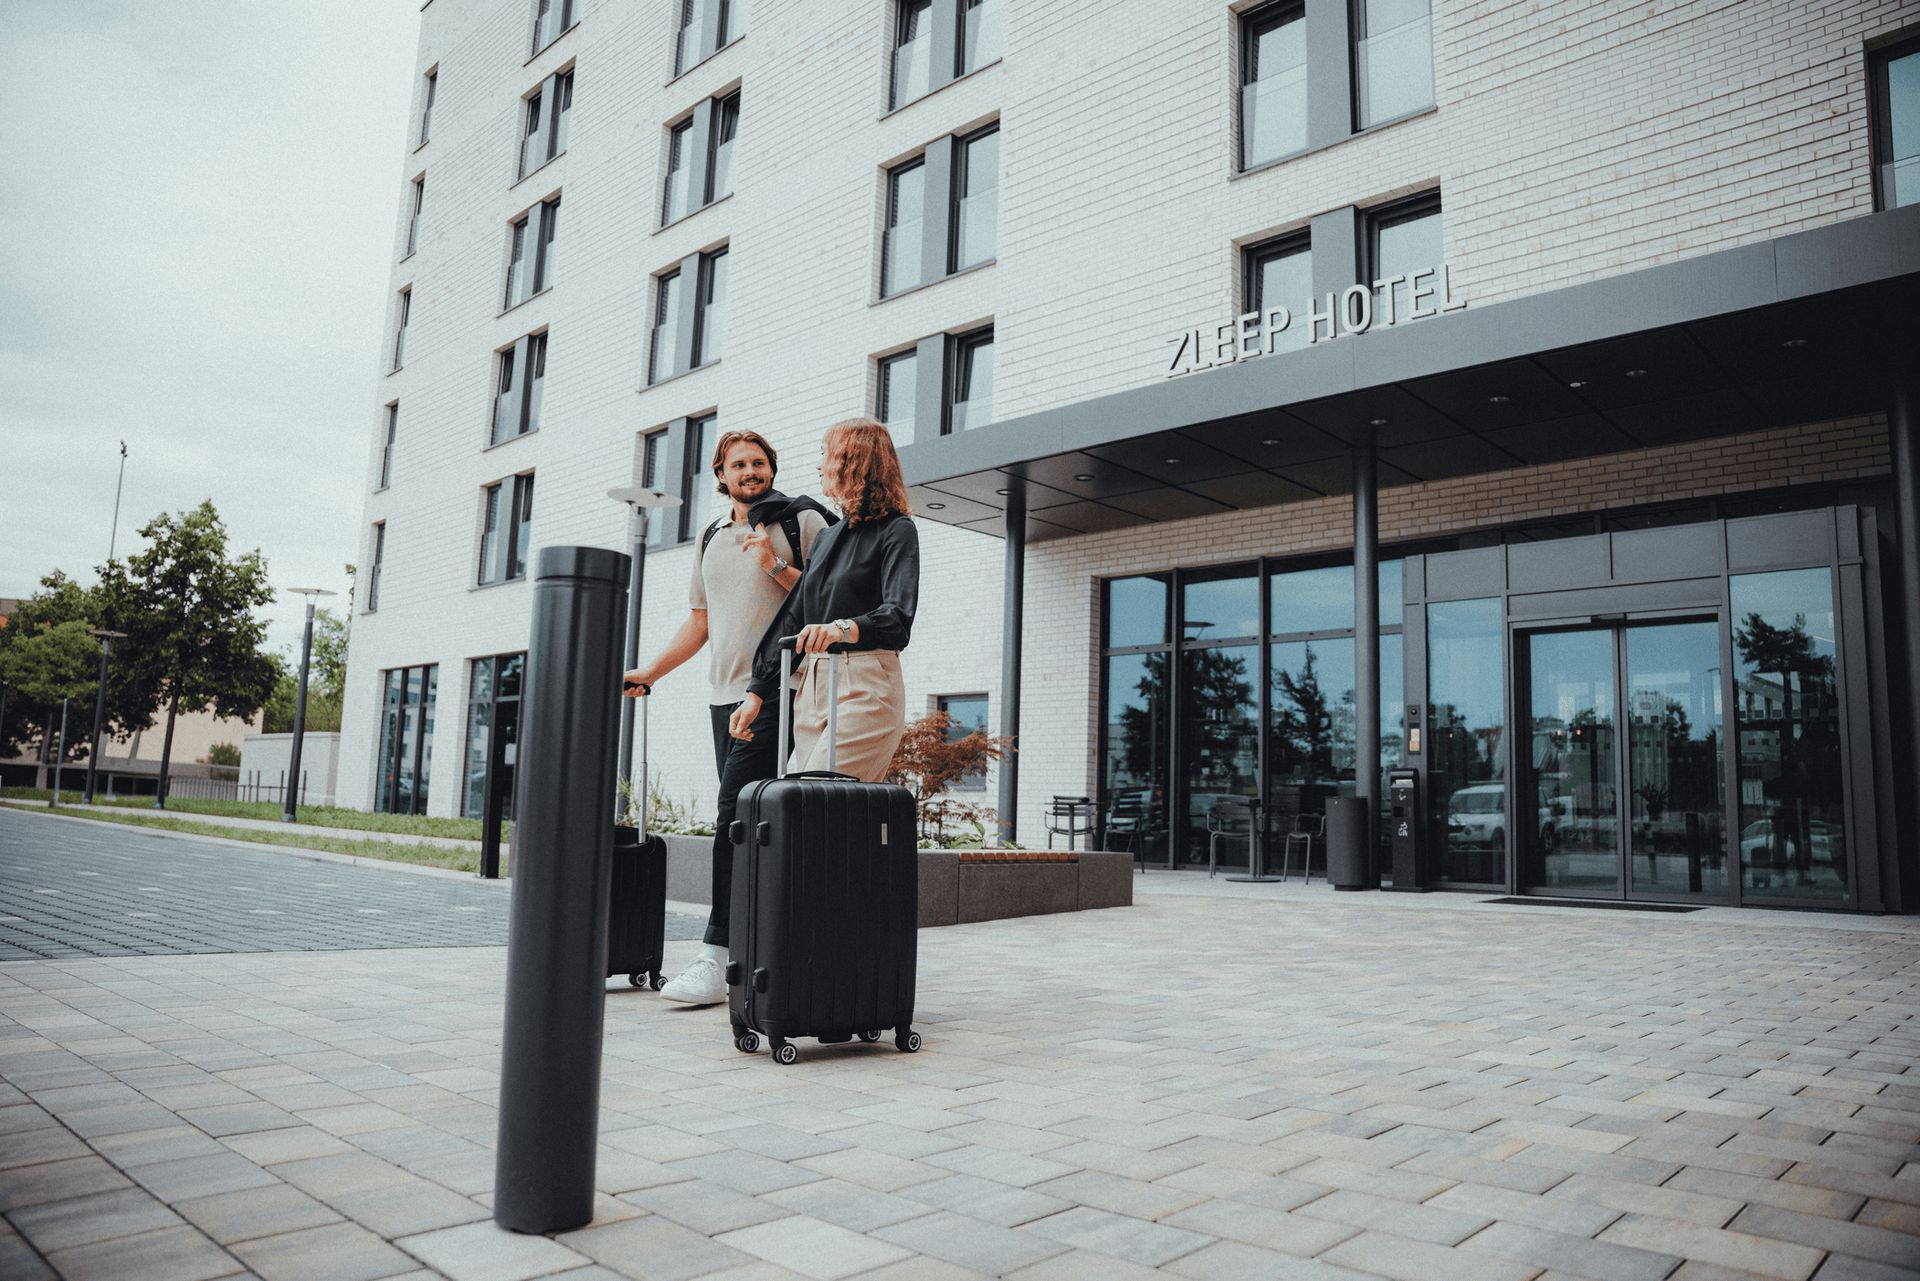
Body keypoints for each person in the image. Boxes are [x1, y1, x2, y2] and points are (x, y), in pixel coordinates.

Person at [622, 429, 833, 1005]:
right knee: (748, 822)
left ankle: (716, 957)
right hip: (725, 695)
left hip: (783, 690)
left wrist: (775, 565)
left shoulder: (801, 522)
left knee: (730, 818)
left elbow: (833, 601)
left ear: (772, 467)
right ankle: (754, 950)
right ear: (721, 473)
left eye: (759, 461)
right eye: (738, 463)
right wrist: (651, 672)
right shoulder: (712, 535)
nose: (750, 470)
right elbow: (700, 622)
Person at [730, 418, 919, 783]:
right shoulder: (826, 538)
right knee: (821, 815)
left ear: (852, 462)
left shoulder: (897, 530)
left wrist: (841, 629)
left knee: (818, 801)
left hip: (865, 682)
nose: (819, 465)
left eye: (825, 455)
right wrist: (757, 692)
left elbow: (898, 617)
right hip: (814, 684)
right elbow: (793, 616)